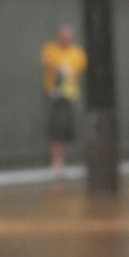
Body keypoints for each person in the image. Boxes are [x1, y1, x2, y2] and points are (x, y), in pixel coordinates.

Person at [40, 25, 86, 172]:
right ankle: (55, 162)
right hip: (54, 96)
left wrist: (67, 72)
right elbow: (45, 63)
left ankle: (62, 162)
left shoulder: (77, 53)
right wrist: (58, 68)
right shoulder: (50, 49)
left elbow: (79, 70)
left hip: (70, 96)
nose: (65, 40)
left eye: (68, 37)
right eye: (63, 37)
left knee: (66, 130)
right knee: (55, 129)